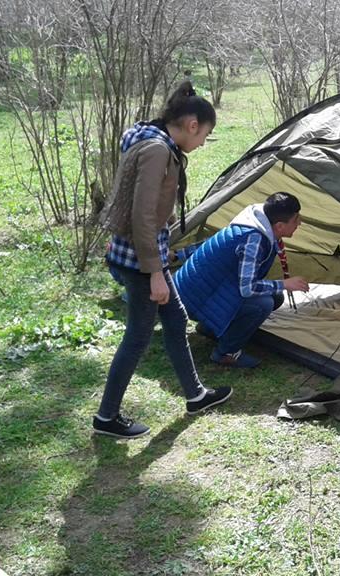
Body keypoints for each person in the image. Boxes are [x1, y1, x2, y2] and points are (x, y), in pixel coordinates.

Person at [95, 81, 232, 439]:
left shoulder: (149, 139)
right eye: (204, 135)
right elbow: (141, 215)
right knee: (138, 337)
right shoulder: (158, 150)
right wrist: (156, 272)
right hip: (138, 261)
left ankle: (195, 394)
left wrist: (164, 241)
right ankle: (106, 417)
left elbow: (151, 208)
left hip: (139, 253)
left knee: (175, 319)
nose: (202, 143)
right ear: (191, 125)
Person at [174, 192, 309, 368]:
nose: (299, 223)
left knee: (276, 296)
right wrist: (284, 284)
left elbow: (210, 245)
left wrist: (177, 255)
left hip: (193, 292)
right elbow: (247, 288)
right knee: (264, 304)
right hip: (192, 300)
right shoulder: (254, 239)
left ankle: (211, 328)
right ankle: (226, 353)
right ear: (280, 226)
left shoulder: (251, 220)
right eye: (296, 220)